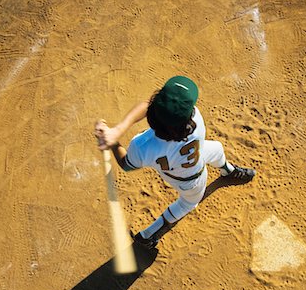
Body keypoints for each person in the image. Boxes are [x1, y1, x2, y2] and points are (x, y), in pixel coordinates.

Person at [95, 76, 255, 249]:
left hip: (178, 172)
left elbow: (126, 164)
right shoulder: (196, 118)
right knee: (188, 203)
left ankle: (228, 172)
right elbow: (151, 105)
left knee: (216, 148)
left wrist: (114, 138)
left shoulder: (142, 146)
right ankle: (147, 235)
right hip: (192, 179)